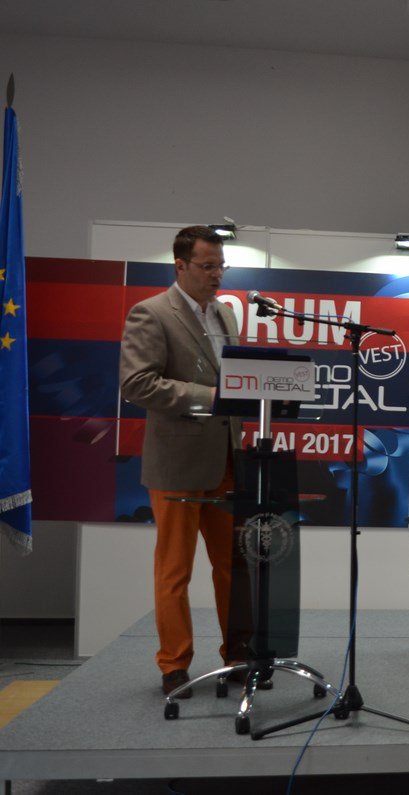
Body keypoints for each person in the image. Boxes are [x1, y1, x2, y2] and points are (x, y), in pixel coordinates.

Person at [119, 225, 252, 698]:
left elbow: (234, 380)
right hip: (177, 463)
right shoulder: (151, 313)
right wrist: (208, 397)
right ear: (181, 266)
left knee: (233, 569)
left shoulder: (226, 315)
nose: (217, 274)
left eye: (221, 266)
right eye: (208, 266)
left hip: (226, 460)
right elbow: (137, 383)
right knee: (175, 572)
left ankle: (238, 656)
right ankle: (174, 665)